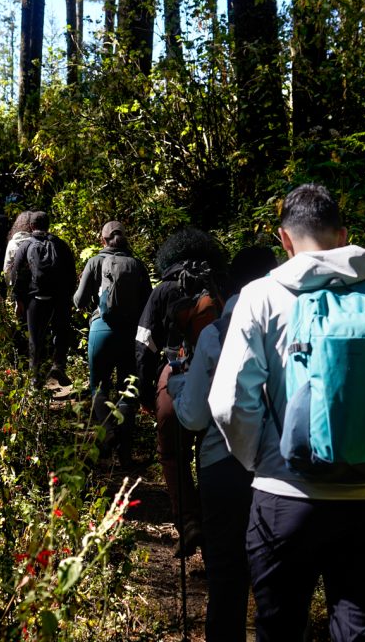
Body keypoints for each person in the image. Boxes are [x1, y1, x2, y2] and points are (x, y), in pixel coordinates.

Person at [209, 183, 365, 642]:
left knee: (280, 629)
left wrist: (260, 461)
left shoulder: (259, 296)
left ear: (284, 239)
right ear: (344, 236)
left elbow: (227, 400)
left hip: (285, 498)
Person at [170, 245, 277, 642]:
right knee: (277, 588)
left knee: (227, 583)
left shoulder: (216, 334)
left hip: (222, 469)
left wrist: (178, 384)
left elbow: (194, 416)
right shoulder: (290, 326)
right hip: (276, 471)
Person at [135, 227, 228, 555]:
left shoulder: (162, 290)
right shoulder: (220, 287)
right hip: (218, 380)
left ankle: (188, 521)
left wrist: (145, 394)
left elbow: (144, 345)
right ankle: (216, 521)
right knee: (210, 448)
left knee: (172, 453)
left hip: (175, 378)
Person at [74, 220, 152, 463]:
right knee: (128, 389)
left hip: (101, 331)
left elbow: (78, 300)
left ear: (103, 240)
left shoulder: (95, 262)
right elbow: (149, 302)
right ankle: (125, 451)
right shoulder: (137, 265)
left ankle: (107, 435)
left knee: (99, 386)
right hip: (130, 334)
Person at [9, 211, 77, 385]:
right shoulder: (61, 244)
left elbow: (16, 273)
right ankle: (58, 365)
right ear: (48, 225)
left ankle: (35, 376)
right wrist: (68, 297)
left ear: (31, 226)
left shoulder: (25, 245)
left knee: (35, 337)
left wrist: (18, 299)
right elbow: (71, 273)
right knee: (61, 332)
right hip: (59, 298)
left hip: (35, 299)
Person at [3, 210, 33, 280]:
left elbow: (7, 268)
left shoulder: (12, 242)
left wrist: (10, 286)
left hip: (17, 282)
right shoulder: (37, 242)